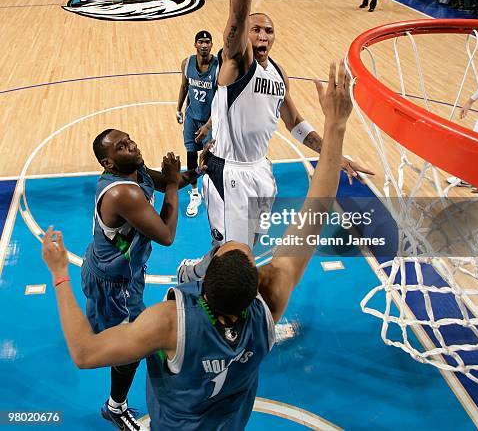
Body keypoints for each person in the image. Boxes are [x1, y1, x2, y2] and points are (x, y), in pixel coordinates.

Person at [42, 59, 353, 431]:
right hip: (226, 422)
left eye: (221, 248)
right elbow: (313, 216)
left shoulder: (169, 323)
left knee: (123, 349)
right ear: (257, 287)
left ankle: (116, 403)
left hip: (169, 409)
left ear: (200, 286)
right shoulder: (267, 307)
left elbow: (84, 352)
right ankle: (116, 401)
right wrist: (336, 130)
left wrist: (59, 272)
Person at [177, 0, 372, 283]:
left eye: (269, 31)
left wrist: (334, 152)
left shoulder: (278, 74)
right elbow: (237, 9)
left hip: (261, 172)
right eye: (256, 30)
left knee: (240, 251)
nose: (262, 35)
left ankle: (199, 271)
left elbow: (296, 125)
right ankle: (197, 281)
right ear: (243, 37)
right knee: (236, 260)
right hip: (226, 172)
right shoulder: (236, 63)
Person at [81, 129, 198, 430]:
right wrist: (172, 183)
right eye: (122, 147)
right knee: (129, 348)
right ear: (108, 163)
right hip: (111, 283)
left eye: (129, 139)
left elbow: (173, 183)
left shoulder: (137, 170)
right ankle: (114, 407)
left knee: (140, 336)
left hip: (127, 277)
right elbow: (166, 234)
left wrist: (200, 168)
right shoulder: (122, 192)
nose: (132, 145)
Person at [176, 31, 219, 217]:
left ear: (211, 45)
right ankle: (194, 193)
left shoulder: (219, 67)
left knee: (210, 157)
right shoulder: (187, 64)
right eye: (200, 42)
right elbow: (184, 86)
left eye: (207, 42)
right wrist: (178, 109)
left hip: (211, 120)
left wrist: (208, 126)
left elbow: (221, 101)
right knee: (191, 154)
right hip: (192, 118)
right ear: (195, 44)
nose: (204, 45)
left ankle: (212, 191)